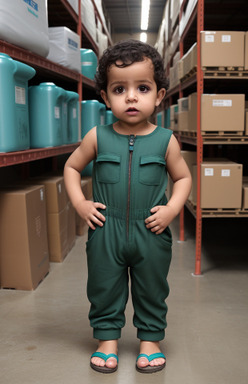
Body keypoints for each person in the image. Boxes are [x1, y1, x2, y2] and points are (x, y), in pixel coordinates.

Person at [64, 39, 192, 374]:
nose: (131, 97)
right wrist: (80, 202)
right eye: (120, 89)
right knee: (104, 285)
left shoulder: (166, 141)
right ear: (105, 97)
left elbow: (183, 179)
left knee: (152, 287)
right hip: (106, 229)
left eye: (143, 88)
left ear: (159, 96)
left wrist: (171, 210)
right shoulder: (97, 136)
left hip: (151, 230)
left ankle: (150, 341)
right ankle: (107, 340)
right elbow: (72, 167)